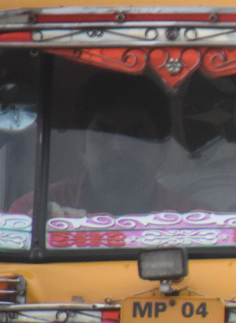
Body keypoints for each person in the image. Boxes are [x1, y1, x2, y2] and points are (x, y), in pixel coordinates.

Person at [10, 72, 172, 216]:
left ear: (163, 150)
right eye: (103, 134)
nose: (119, 147)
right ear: (82, 146)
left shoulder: (188, 219)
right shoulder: (32, 211)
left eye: (136, 135)